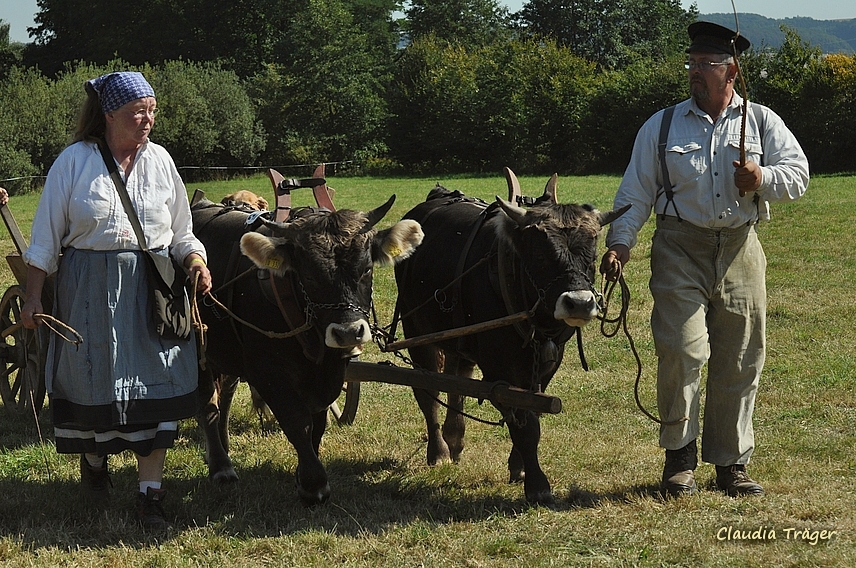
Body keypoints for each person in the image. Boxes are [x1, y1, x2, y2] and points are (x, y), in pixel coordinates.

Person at [600, 22, 809, 498]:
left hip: (741, 248)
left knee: (741, 357)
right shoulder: (663, 124)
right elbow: (635, 191)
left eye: (705, 64)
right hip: (679, 247)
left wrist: (761, 177)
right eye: (691, 63)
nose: (695, 72)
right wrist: (621, 243)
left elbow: (798, 175)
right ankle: (679, 458)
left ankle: (731, 463)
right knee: (681, 348)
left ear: (731, 71)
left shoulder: (760, 121)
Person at [20, 71, 212, 529]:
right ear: (108, 115)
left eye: (152, 111)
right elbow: (45, 240)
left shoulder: (162, 161)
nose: (147, 120)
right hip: (87, 288)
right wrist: (31, 296)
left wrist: (196, 261)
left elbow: (182, 230)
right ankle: (94, 458)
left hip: (154, 288)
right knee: (91, 383)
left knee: (161, 384)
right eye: (136, 112)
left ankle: (151, 494)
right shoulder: (73, 162)